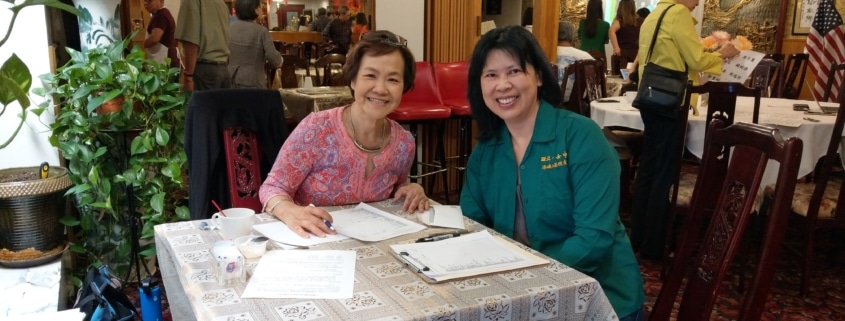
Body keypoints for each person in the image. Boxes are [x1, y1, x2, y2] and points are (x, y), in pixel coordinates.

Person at [460, 25, 646, 321]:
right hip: (520, 296)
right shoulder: (487, 150)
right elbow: (472, 225)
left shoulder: (581, 137)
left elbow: (593, 240)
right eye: (490, 75)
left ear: (538, 76)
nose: (502, 84)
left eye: (514, 71)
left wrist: (524, 279)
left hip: (599, 300)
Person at [259, 30, 430, 238]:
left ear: (404, 86)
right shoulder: (316, 129)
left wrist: (412, 189)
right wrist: (289, 211)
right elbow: (272, 187)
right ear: (352, 80)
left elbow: (396, 189)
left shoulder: (404, 143)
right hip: (314, 243)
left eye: (393, 79)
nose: (381, 88)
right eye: (370, 75)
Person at [629, 0, 739, 259]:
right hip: (670, 99)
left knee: (649, 167)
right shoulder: (677, 13)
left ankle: (639, 236)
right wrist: (725, 53)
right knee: (664, 171)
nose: (699, 2)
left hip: (651, 96)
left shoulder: (656, 13)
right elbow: (696, 59)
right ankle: (655, 244)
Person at [175, 0, 231, 91]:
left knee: (202, 105)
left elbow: (191, 40)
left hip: (204, 71)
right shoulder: (221, 3)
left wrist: (188, 77)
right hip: (223, 69)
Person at [228, 0, 282, 89]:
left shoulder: (230, 28)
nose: (262, 10)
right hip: (253, 80)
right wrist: (281, 60)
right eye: (260, 7)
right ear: (255, 9)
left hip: (231, 78)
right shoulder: (261, 31)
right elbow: (273, 58)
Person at [555, 21, 594, 103]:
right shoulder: (585, 57)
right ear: (572, 36)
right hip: (578, 104)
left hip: (550, 102)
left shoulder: (544, 54)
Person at [143, 0, 180, 69]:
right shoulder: (158, 14)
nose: (145, 3)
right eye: (144, 1)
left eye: (149, 1)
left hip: (166, 60)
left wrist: (144, 44)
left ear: (161, 1)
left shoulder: (161, 16)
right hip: (165, 59)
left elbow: (155, 38)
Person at [609, 0, 641, 75]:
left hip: (622, 55)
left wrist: (616, 47)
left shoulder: (619, 21)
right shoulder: (641, 21)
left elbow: (611, 31)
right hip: (636, 54)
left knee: (619, 78)